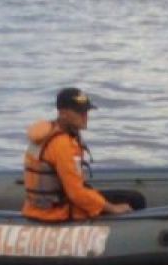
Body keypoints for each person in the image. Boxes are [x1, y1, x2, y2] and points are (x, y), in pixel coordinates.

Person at [22, 87, 132, 222]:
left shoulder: (51, 132)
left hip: (40, 209)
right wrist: (112, 208)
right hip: (58, 213)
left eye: (86, 111)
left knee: (129, 197)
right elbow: (76, 193)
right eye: (79, 112)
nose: (85, 116)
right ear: (63, 113)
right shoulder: (62, 144)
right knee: (135, 201)